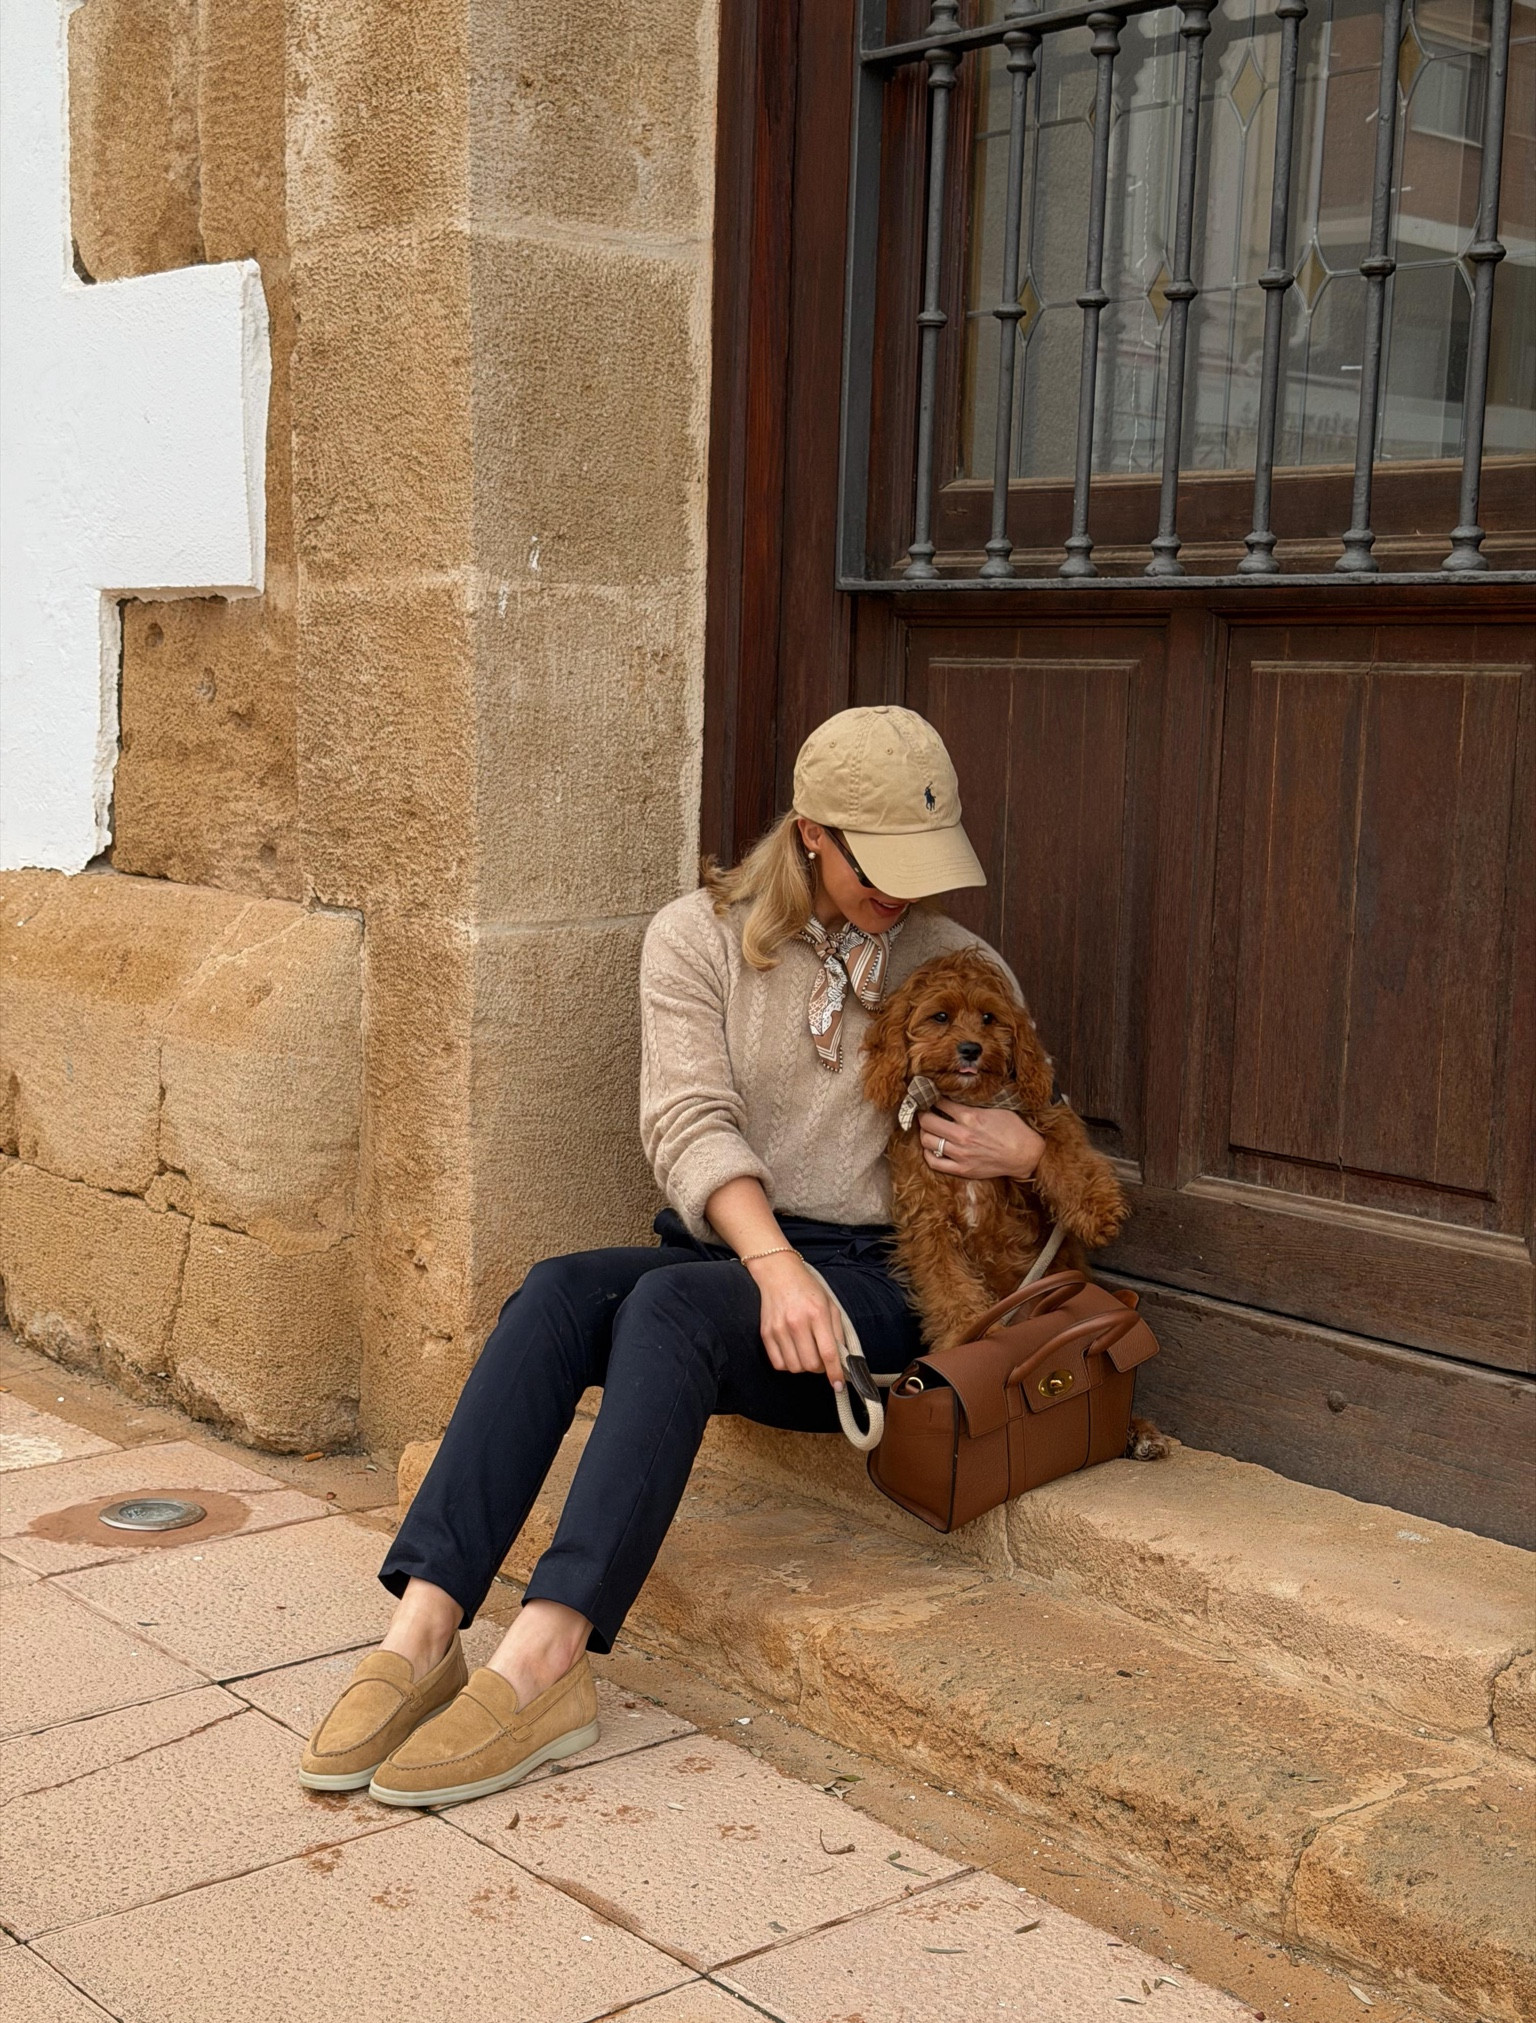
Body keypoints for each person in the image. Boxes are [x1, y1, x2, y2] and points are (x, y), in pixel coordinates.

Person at [299, 705, 1048, 1808]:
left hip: (885, 1282)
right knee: (561, 1289)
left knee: (672, 1314)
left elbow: (1040, 1120)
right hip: (742, 1249)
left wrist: (1022, 1144)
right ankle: (423, 1629)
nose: (903, 887)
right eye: (873, 860)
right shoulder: (695, 937)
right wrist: (772, 1264)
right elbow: (689, 1122)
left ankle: (548, 1658)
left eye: (920, 861)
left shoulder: (958, 960)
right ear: (809, 834)